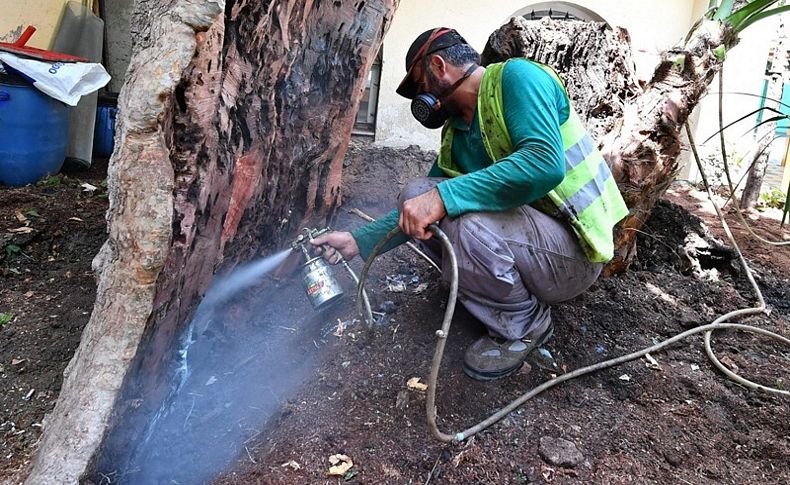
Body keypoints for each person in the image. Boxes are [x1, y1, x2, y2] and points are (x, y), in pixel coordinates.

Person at [312, 27, 628, 381]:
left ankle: (525, 325)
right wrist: (359, 241)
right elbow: (420, 207)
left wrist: (444, 196)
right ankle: (491, 290)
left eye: (420, 86)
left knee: (460, 218)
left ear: (438, 65)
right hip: (529, 246)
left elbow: (544, 162)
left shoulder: (518, 78)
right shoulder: (459, 132)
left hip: (572, 256)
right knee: (419, 194)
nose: (422, 99)